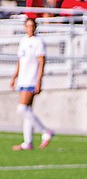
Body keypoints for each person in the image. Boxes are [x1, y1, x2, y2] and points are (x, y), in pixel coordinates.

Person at [9, 17, 54, 152]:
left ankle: (46, 131)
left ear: (35, 27)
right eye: (27, 26)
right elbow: (20, 61)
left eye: (32, 26)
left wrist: (38, 81)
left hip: (31, 80)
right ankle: (27, 142)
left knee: (22, 109)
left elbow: (41, 62)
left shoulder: (38, 42)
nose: (30, 28)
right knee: (27, 111)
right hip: (23, 79)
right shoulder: (23, 41)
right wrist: (15, 76)